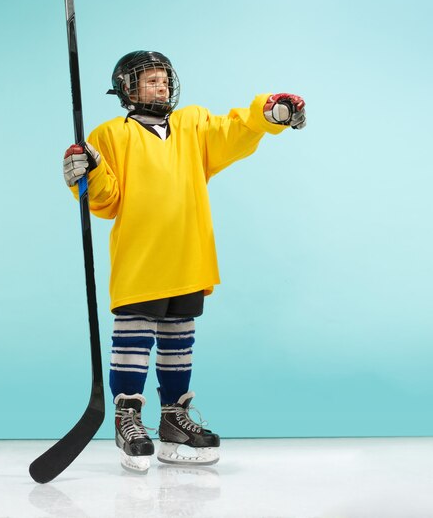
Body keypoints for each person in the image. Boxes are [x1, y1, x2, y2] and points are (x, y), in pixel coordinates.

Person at [62, 50, 306, 472]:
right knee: (134, 336)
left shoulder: (192, 126)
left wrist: (271, 113)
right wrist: (87, 172)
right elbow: (106, 202)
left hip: (188, 252)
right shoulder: (108, 136)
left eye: (163, 78)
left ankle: (174, 419)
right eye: (148, 79)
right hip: (141, 256)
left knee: (179, 336)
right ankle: (128, 418)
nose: (159, 86)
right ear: (126, 88)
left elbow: (236, 129)